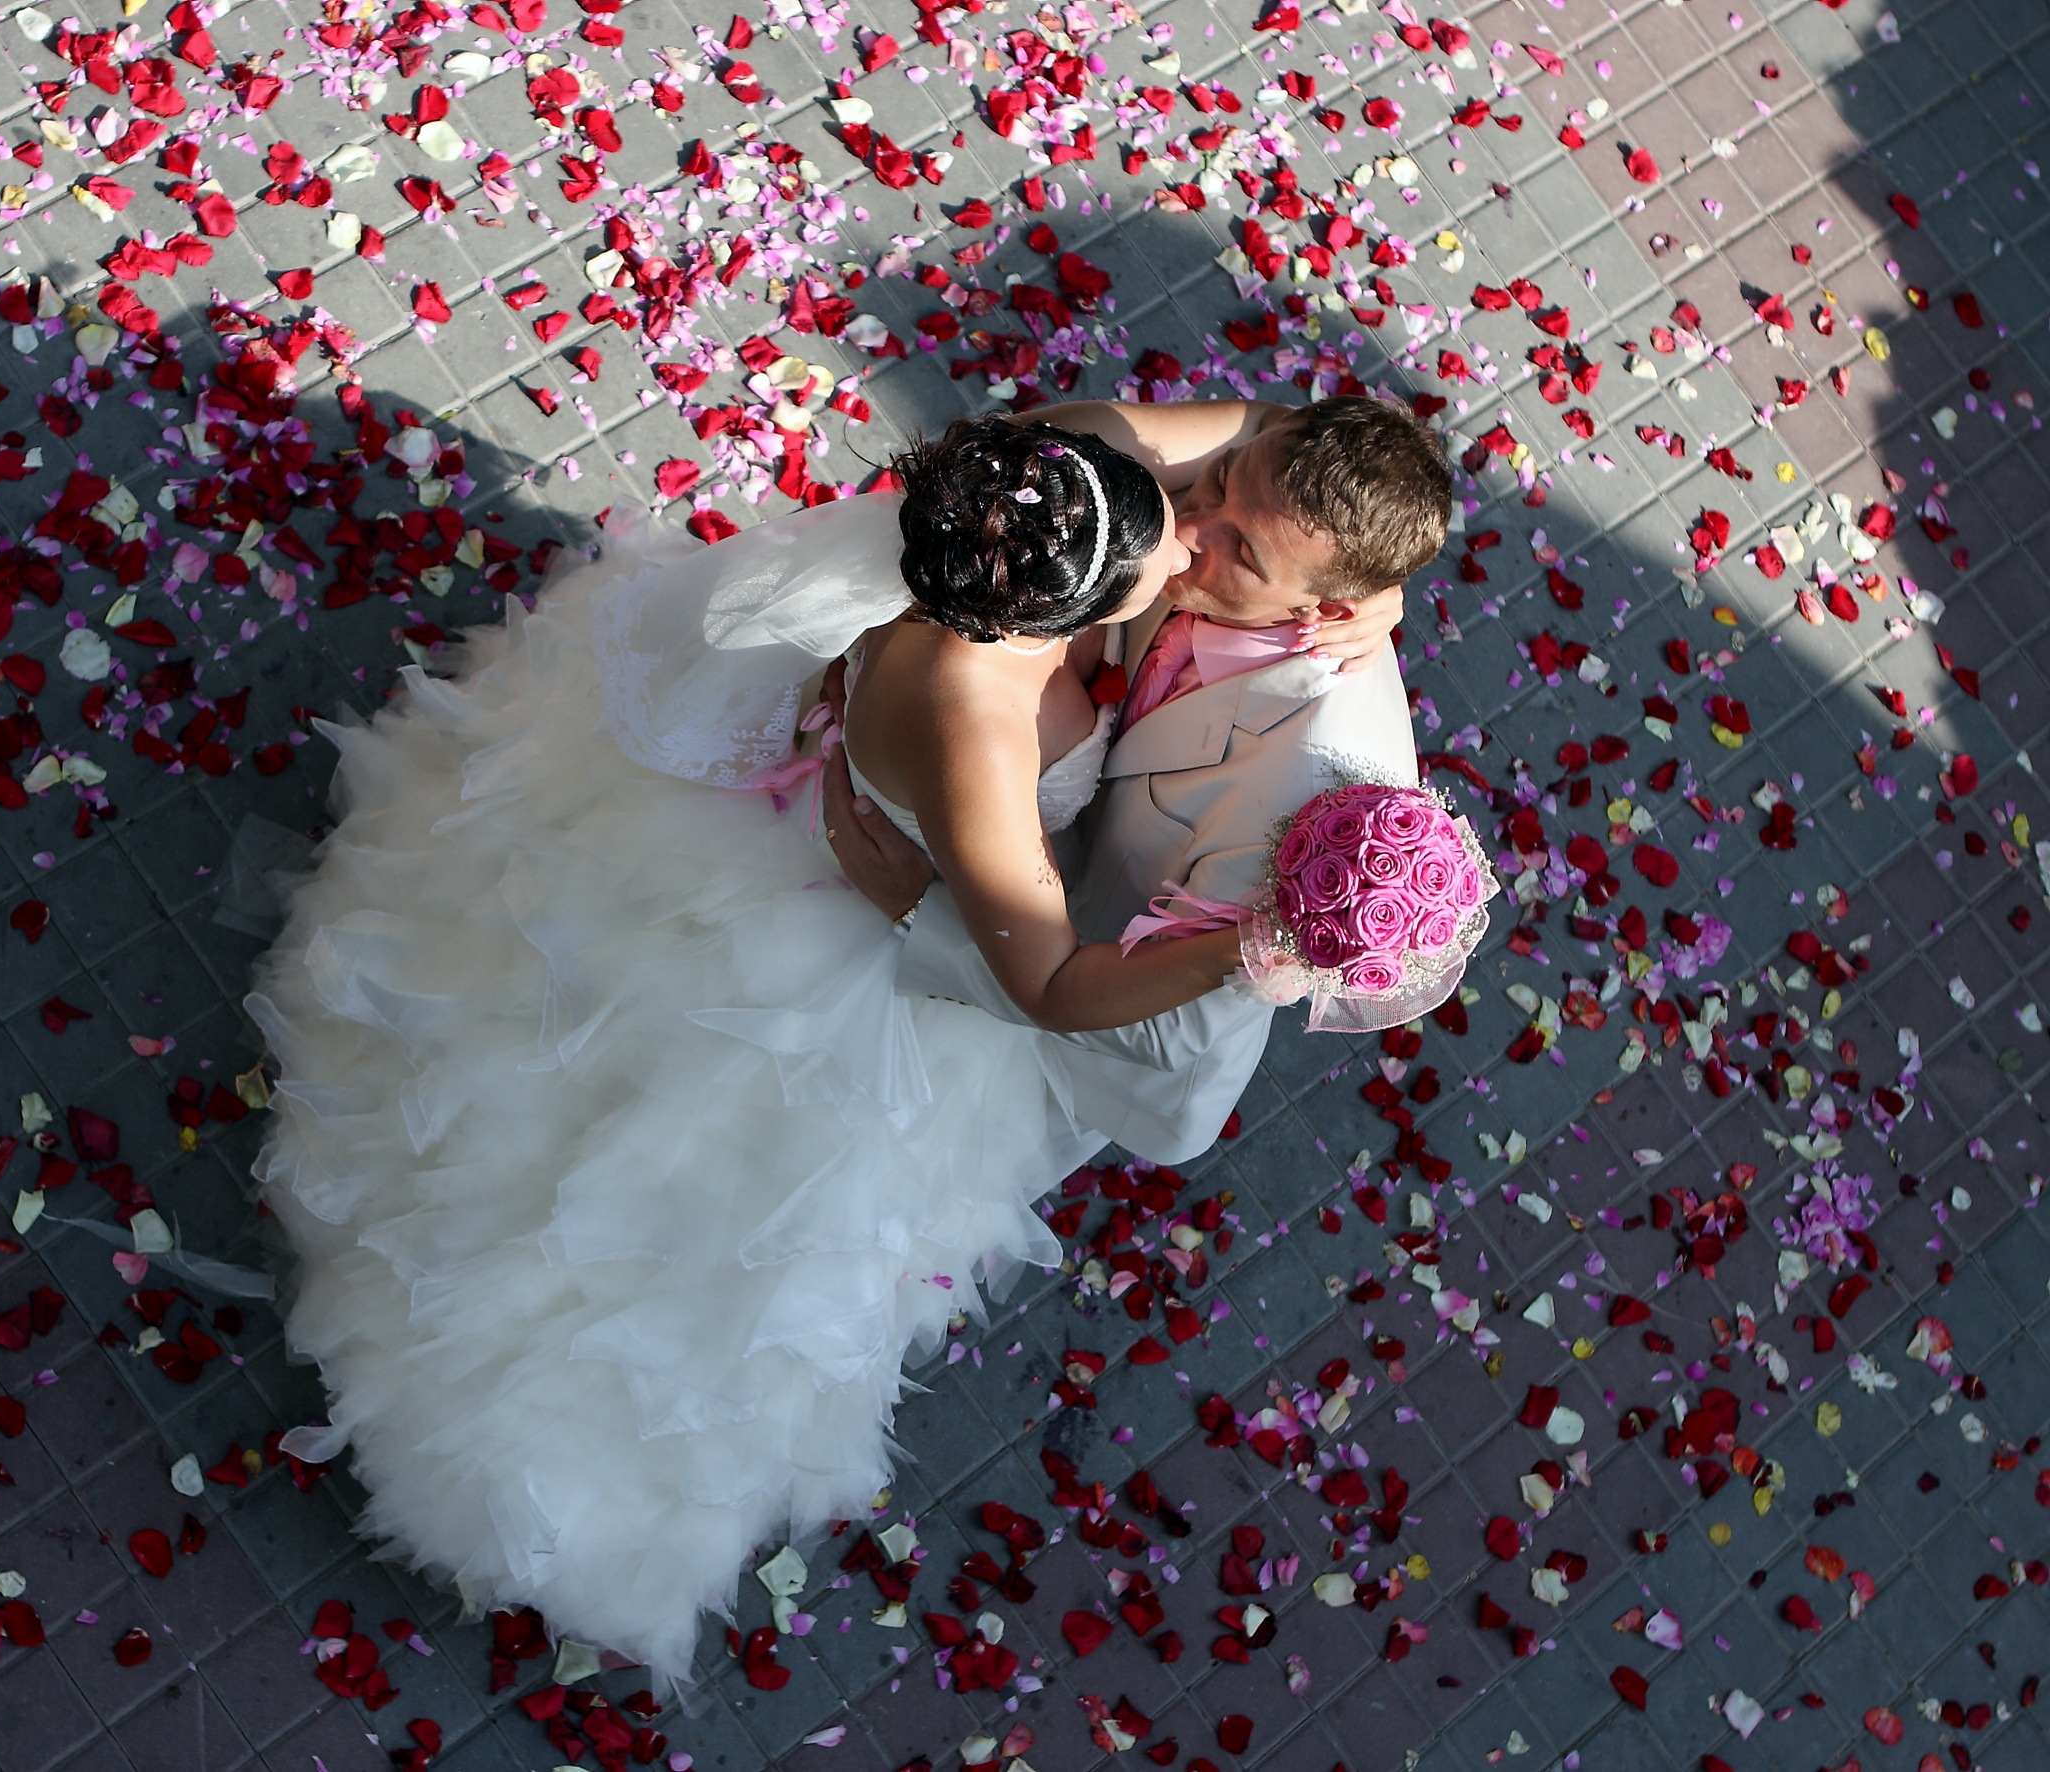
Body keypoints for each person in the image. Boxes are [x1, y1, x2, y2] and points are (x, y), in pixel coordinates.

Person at [243, 402, 1415, 1687]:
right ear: (1061, 591)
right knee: (696, 1210)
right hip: (859, 945)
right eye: (1193, 508)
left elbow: (1264, 456)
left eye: (1230, 530)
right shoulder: (978, 711)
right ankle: (542, 1475)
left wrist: (1382, 597)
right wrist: (1254, 944)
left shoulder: (1053, 517)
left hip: (847, 834)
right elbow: (1048, 984)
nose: (1187, 526)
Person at [825, 393, 1455, 1161]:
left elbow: (1167, 1031)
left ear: (1334, 607)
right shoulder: (1133, 522)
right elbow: (1259, 427)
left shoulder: (1318, 804)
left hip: (1071, 1023)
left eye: (1242, 550)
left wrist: (919, 915)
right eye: (1217, 479)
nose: (1185, 533)